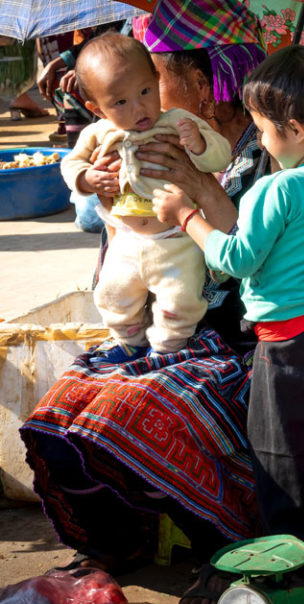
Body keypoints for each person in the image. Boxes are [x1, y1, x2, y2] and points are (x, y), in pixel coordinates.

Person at [20, 0, 270, 604]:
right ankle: (115, 540)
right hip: (150, 316)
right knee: (64, 404)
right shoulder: (128, 135)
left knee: (136, 408)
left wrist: (199, 186)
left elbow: (252, 259)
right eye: (123, 95)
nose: (141, 97)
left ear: (198, 75)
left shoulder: (260, 152)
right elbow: (114, 234)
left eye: (155, 75)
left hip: (236, 339)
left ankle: (226, 544)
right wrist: (97, 186)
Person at [153, 45, 304, 596]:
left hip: (285, 350)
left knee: (280, 463)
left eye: (265, 129)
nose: (261, 140)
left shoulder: (277, 187)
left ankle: (292, 580)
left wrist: (187, 216)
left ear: (294, 129)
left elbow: (234, 260)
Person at [61, 33, 232, 362]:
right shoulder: (99, 132)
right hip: (126, 240)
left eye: (145, 92)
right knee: (111, 293)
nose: (139, 108)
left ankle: (168, 346)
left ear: (156, 80)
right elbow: (71, 164)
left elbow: (220, 156)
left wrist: (198, 143)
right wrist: (86, 177)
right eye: (120, 102)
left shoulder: (178, 121)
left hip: (175, 238)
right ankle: (130, 340)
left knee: (180, 298)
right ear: (96, 108)